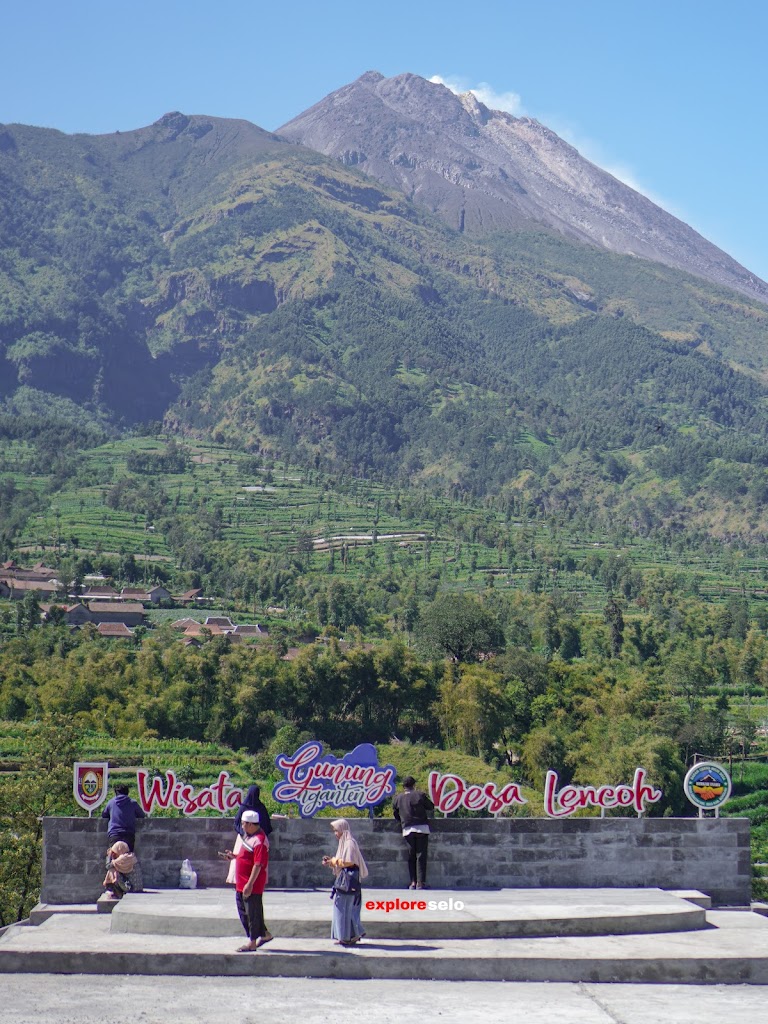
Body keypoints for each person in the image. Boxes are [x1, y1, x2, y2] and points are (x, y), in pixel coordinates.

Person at [223, 809, 273, 952]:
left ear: (251, 824)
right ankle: (265, 935)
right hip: (241, 882)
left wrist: (250, 884)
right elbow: (247, 856)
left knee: (251, 913)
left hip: (251, 884)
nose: (242, 826)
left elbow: (258, 864)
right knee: (245, 911)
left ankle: (252, 942)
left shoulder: (260, 841)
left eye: (244, 824)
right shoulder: (249, 836)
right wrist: (235, 856)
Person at [322, 818, 368, 947]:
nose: (335, 833)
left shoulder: (349, 843)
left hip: (349, 883)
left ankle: (347, 936)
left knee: (344, 908)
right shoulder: (344, 843)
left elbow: (349, 862)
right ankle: (348, 935)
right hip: (345, 882)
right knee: (343, 908)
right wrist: (331, 861)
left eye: (337, 830)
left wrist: (334, 861)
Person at [392, 775, 434, 890]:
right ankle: (421, 883)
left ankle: (413, 882)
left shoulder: (398, 798)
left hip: (407, 829)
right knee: (421, 856)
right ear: (414, 785)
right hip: (422, 828)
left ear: (403, 786)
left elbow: (395, 813)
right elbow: (430, 807)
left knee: (411, 856)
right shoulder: (420, 795)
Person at [227, 784, 273, 885]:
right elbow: (267, 825)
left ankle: (243, 881)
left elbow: (237, 822)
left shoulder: (245, 807)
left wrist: (245, 833)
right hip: (251, 839)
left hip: (247, 839)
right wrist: (250, 833)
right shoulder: (260, 807)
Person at [101, 782, 146, 851]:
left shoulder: (111, 803)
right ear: (127, 792)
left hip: (114, 833)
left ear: (116, 793)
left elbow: (104, 815)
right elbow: (142, 815)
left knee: (113, 857)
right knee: (127, 858)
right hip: (128, 833)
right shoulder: (133, 803)